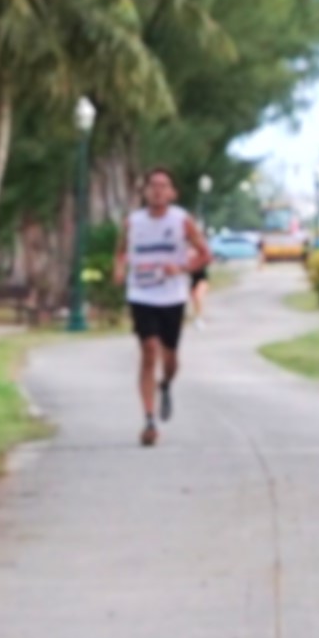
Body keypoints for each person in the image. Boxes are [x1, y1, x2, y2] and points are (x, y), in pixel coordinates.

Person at [113, 168, 211, 448]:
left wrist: (180, 267)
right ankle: (149, 420)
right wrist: (119, 270)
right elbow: (120, 252)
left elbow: (205, 255)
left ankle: (166, 383)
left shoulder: (181, 221)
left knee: (170, 358)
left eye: (163, 186)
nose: (157, 190)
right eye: (152, 185)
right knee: (149, 350)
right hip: (141, 294)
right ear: (144, 192)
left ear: (172, 193)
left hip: (172, 296)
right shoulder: (133, 222)